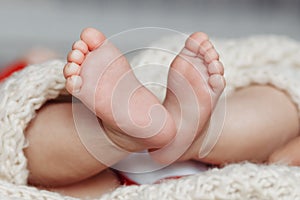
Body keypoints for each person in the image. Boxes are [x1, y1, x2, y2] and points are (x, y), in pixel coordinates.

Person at [20, 28, 299, 199]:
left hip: (115, 179)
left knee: (30, 137)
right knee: (17, 135)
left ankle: (176, 134)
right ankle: (129, 134)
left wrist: (37, 59)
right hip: (110, 177)